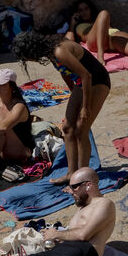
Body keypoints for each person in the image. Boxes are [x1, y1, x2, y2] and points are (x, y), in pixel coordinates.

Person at [13, 31, 111, 185]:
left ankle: (82, 178)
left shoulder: (59, 51)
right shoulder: (51, 53)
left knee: (81, 130)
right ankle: (71, 173)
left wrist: (85, 107)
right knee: (67, 128)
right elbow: (65, 73)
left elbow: (86, 75)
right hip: (81, 84)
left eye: (26, 57)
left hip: (97, 81)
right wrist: (74, 97)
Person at [64, 0, 128, 66]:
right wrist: (72, 24)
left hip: (111, 38)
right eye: (80, 10)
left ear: (90, 9)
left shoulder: (100, 20)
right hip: (94, 42)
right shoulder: (79, 25)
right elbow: (69, 39)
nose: (84, 12)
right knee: (104, 13)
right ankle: (100, 54)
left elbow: (112, 30)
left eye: (86, 9)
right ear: (76, 13)